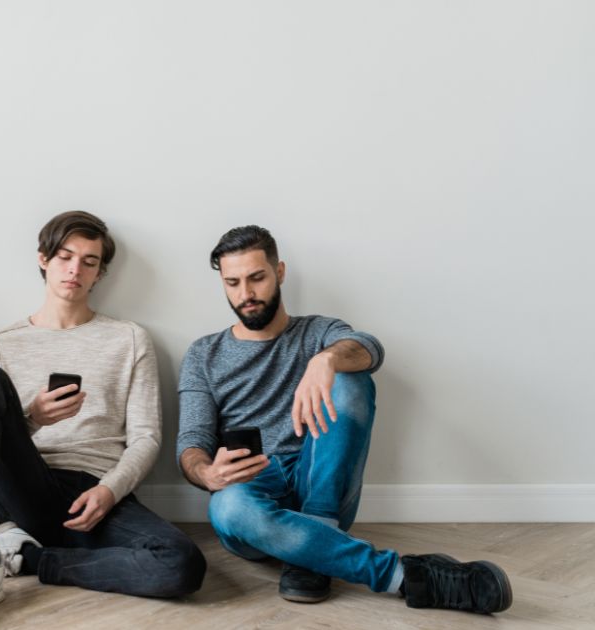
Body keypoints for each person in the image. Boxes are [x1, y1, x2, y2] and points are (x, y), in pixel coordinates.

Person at [177, 225, 513, 613]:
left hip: (321, 483)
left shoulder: (319, 332)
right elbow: (191, 442)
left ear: (279, 272)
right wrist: (206, 474)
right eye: (232, 283)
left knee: (351, 378)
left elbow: (371, 349)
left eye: (257, 278)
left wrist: (327, 360)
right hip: (253, 491)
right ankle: (402, 575)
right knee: (227, 507)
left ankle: (316, 537)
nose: (246, 294)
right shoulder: (204, 353)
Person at [0, 211, 206, 627]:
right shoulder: (3, 342)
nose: (75, 269)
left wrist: (110, 492)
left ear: (100, 273)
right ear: (43, 259)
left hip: (97, 491)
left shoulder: (129, 339)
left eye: (89, 261)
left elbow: (147, 437)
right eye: (65, 256)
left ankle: (25, 556)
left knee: (181, 564)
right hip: (27, 484)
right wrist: (33, 419)